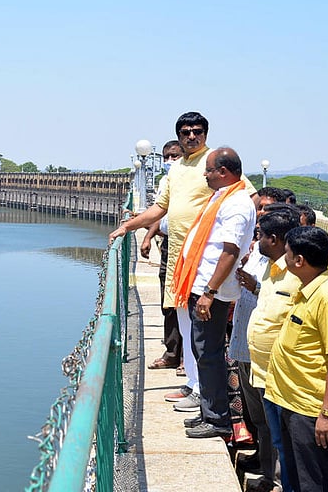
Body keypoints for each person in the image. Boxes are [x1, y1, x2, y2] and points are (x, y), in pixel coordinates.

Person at [110, 112, 256, 411]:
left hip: (206, 262)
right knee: (185, 322)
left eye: (198, 131)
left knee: (202, 333)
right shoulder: (175, 169)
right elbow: (160, 208)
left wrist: (236, 238)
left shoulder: (214, 162)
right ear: (178, 135)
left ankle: (203, 393)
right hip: (179, 257)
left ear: (206, 133)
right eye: (186, 132)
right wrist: (129, 226)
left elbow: (249, 196)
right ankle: (192, 383)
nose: (192, 137)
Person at [171, 148, 255, 438]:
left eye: (208, 170)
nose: (204, 174)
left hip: (212, 292)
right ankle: (209, 411)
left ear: (223, 171)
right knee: (201, 350)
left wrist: (209, 291)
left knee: (209, 353)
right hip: (202, 286)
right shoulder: (222, 196)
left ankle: (218, 420)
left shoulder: (237, 204)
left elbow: (230, 251)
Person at [264, 226, 328, 492]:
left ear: (299, 261)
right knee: (298, 479)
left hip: (310, 410)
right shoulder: (308, 289)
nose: (285, 259)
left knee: (314, 482)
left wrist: (326, 414)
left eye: (288, 253)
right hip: (289, 401)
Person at [240, 205, 302, 492]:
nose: (257, 240)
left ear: (275, 239)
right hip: (259, 366)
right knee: (264, 426)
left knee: (281, 435)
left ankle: (279, 482)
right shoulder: (270, 269)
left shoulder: (297, 275)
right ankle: (269, 478)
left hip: (279, 372)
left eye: (260, 235)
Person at [140, 140, 184, 370]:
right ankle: (172, 352)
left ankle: (187, 358)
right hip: (168, 244)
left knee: (186, 302)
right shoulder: (165, 181)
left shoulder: (194, 179)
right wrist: (148, 237)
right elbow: (160, 212)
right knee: (168, 301)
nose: (169, 161)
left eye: (174, 156)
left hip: (187, 244)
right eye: (166, 157)